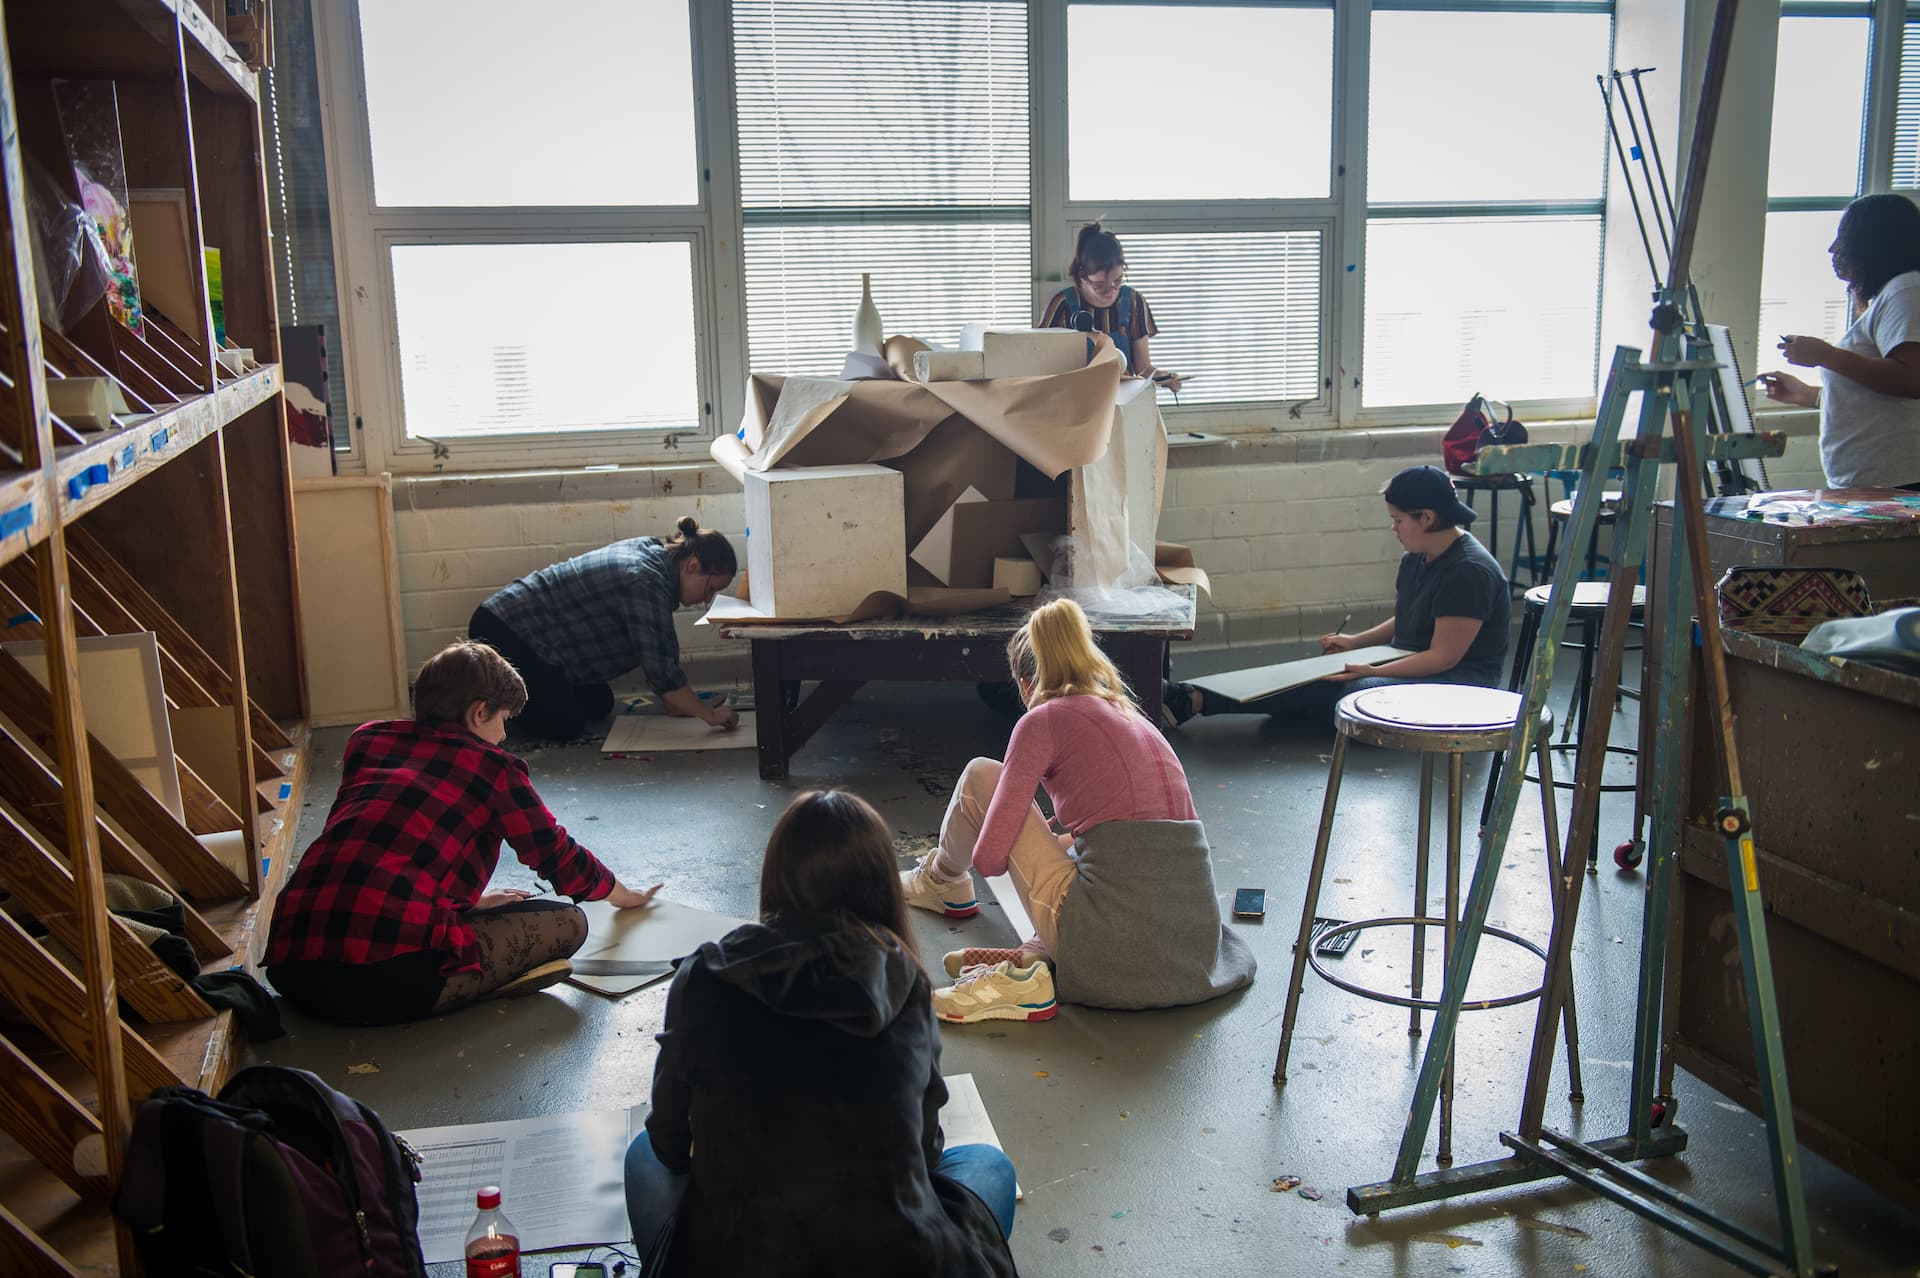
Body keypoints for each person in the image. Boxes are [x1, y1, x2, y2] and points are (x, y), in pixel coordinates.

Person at [624, 790, 1019, 1277]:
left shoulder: (707, 974)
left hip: (740, 1257)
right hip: (897, 1258)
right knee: (988, 1167)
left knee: (642, 1156)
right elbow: (925, 1153)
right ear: (880, 888)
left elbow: (666, 1143)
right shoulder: (903, 979)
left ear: (776, 876)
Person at [265, 641, 661, 1025]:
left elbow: (384, 852)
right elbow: (555, 854)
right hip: (381, 984)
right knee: (571, 923)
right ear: (479, 713)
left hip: (291, 969)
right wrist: (621, 894)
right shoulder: (495, 769)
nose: (504, 735)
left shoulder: (369, 739)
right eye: (503, 719)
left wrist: (468, 904)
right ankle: (472, 986)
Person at [901, 599, 1255, 1022]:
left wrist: (1016, 821)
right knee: (1075, 850)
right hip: (1193, 952)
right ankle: (1035, 954)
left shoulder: (1042, 719)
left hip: (1111, 947)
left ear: (1025, 683)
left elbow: (990, 860)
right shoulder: (1134, 719)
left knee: (982, 775)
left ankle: (941, 879)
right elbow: (1127, 838)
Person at [1164, 465, 1510, 723]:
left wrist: (1368, 670)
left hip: (1459, 684)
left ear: (1428, 517)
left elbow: (1443, 658)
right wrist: (1356, 641)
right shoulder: (1418, 558)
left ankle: (1193, 701)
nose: (1393, 529)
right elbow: (1409, 617)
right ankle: (1193, 697)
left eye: (1398, 520)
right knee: (1321, 675)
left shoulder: (1468, 572)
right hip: (1410, 659)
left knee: (1351, 690)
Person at [468, 516, 739, 741]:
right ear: (692, 566)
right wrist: (710, 715)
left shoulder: (655, 556)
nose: (707, 599)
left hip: (537, 639)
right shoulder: (645, 583)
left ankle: (525, 696)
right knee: (565, 726)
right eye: (710, 588)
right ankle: (497, 705)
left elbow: (663, 659)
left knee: (599, 703)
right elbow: (663, 675)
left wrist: (681, 702)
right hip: (506, 631)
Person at [1759, 193, 1920, 490]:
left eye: (1844, 238)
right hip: (1878, 483)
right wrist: (1808, 395)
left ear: (1875, 244)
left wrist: (1826, 355)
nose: (1833, 248)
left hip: (1897, 485)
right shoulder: (1893, 293)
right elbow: (1874, 397)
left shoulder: (1905, 289)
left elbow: (1911, 379)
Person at [1038, 221, 1183, 391]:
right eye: (1099, 285)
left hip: (1122, 399)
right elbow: (1042, 367)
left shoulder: (1134, 301)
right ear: (1082, 275)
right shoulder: (1062, 305)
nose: (1110, 291)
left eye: (1118, 281)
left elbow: (1144, 370)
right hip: (1075, 401)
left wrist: (1164, 378)